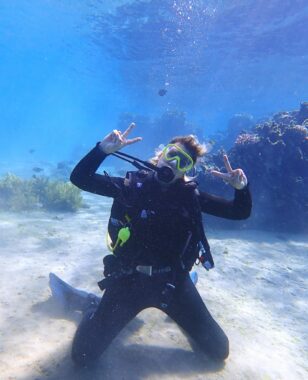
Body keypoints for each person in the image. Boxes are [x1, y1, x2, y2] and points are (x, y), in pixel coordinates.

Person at [65, 122, 251, 367]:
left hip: (173, 284)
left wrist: (242, 189)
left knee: (219, 351)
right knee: (82, 357)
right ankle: (93, 306)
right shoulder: (130, 187)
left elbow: (239, 212)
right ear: (161, 154)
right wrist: (102, 150)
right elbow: (80, 178)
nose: (174, 164)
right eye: (172, 155)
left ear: (189, 169)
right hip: (127, 281)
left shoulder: (191, 198)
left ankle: (184, 308)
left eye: (183, 162)